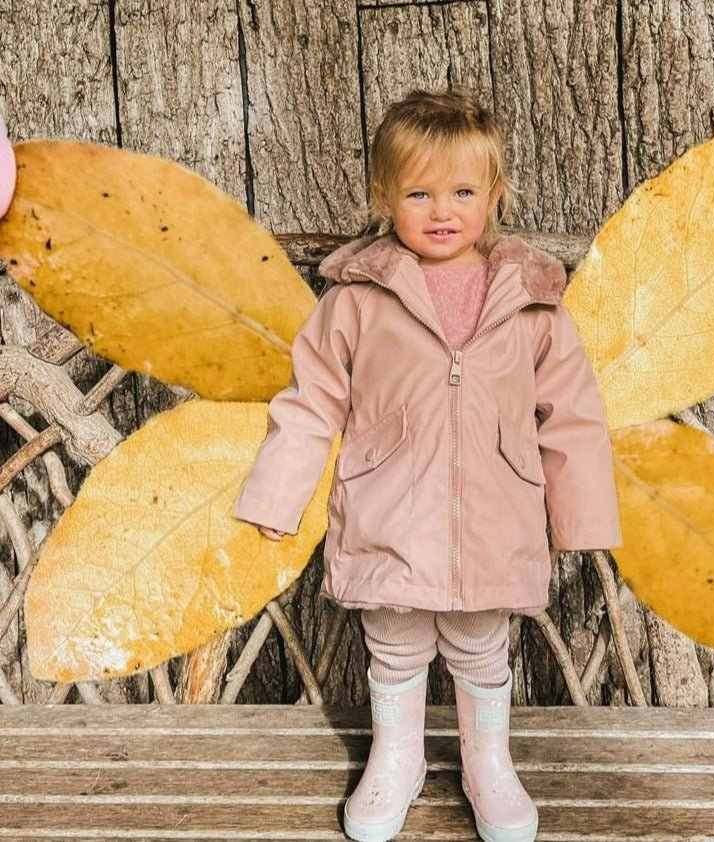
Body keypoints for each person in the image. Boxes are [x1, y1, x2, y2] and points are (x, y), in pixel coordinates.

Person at [231, 86, 623, 842]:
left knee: (481, 641)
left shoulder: (531, 300)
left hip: (495, 511)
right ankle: (397, 758)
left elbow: (571, 413)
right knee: (396, 638)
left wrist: (581, 516)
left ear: (494, 195)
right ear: (385, 197)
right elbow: (311, 401)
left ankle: (489, 766)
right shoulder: (356, 300)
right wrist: (278, 498)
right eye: (418, 192)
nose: (442, 210)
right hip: (388, 504)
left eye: (463, 192)